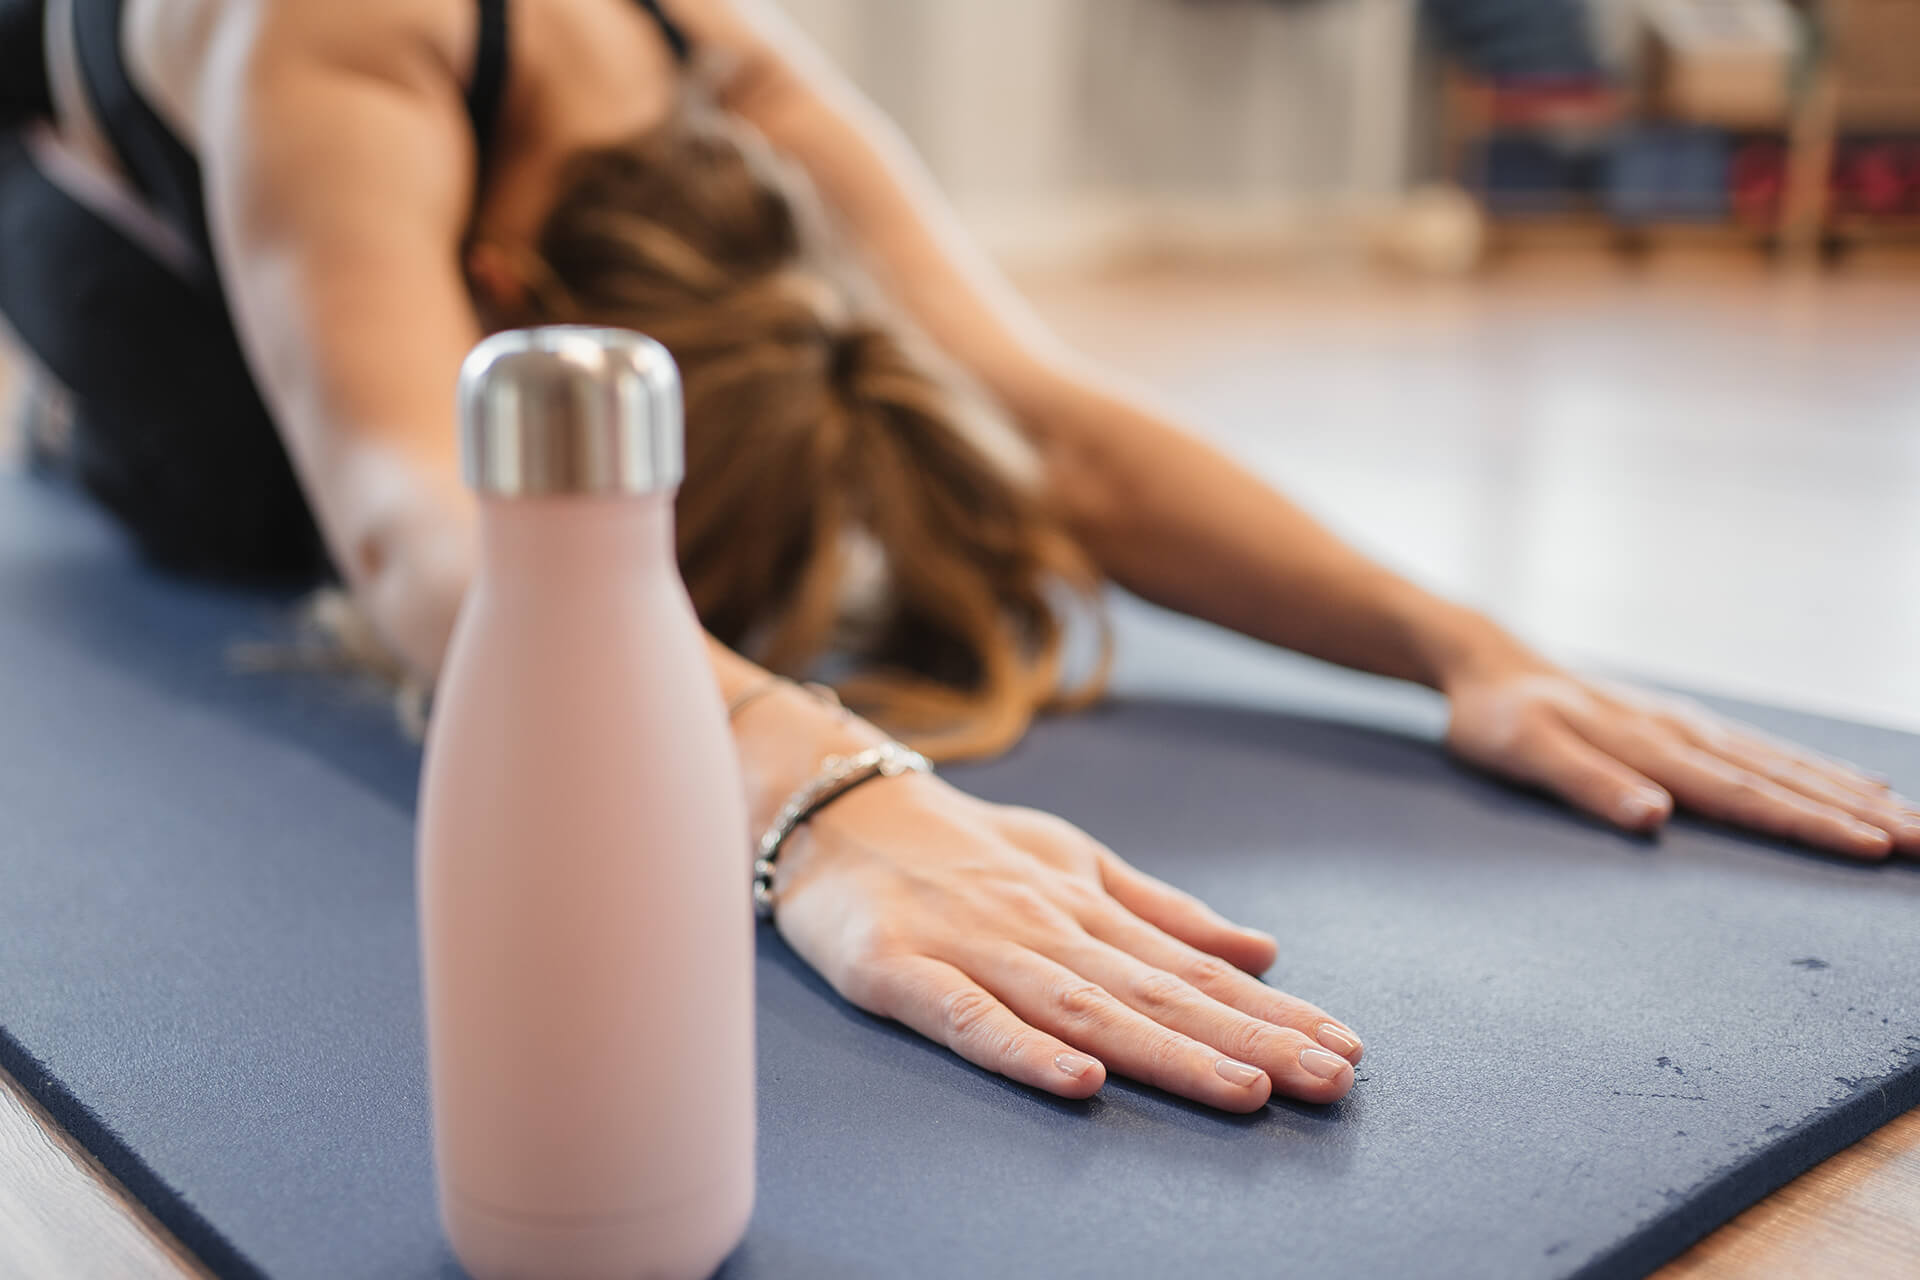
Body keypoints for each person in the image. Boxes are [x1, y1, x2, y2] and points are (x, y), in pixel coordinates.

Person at [1, 0, 1914, 1117]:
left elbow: (1047, 423)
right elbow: (422, 512)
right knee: (243, 529)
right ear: (512, 301)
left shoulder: (721, 64)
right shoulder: (331, 41)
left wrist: (1466, 646)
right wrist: (815, 794)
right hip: (110, 234)